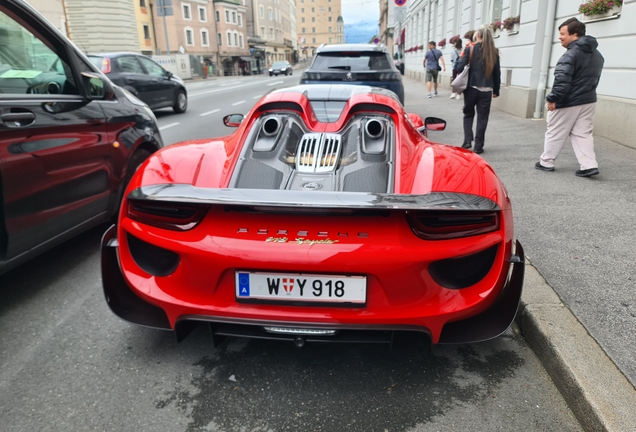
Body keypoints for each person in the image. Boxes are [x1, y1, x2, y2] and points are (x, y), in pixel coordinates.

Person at [535, 18, 604, 177]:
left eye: (562, 34)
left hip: (569, 101)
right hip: (588, 100)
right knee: (583, 133)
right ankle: (588, 165)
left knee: (555, 131)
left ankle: (546, 162)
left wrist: (552, 98)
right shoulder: (597, 54)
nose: (559, 37)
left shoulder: (570, 55)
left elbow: (562, 80)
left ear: (575, 35)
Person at [455, 26, 501, 154]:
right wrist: (496, 90)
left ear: (478, 36)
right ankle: (478, 146)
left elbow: (459, 68)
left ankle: (467, 141)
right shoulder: (494, 51)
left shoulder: (470, 49)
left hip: (471, 88)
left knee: (468, 114)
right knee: (483, 118)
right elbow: (497, 73)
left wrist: (463, 53)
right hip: (486, 90)